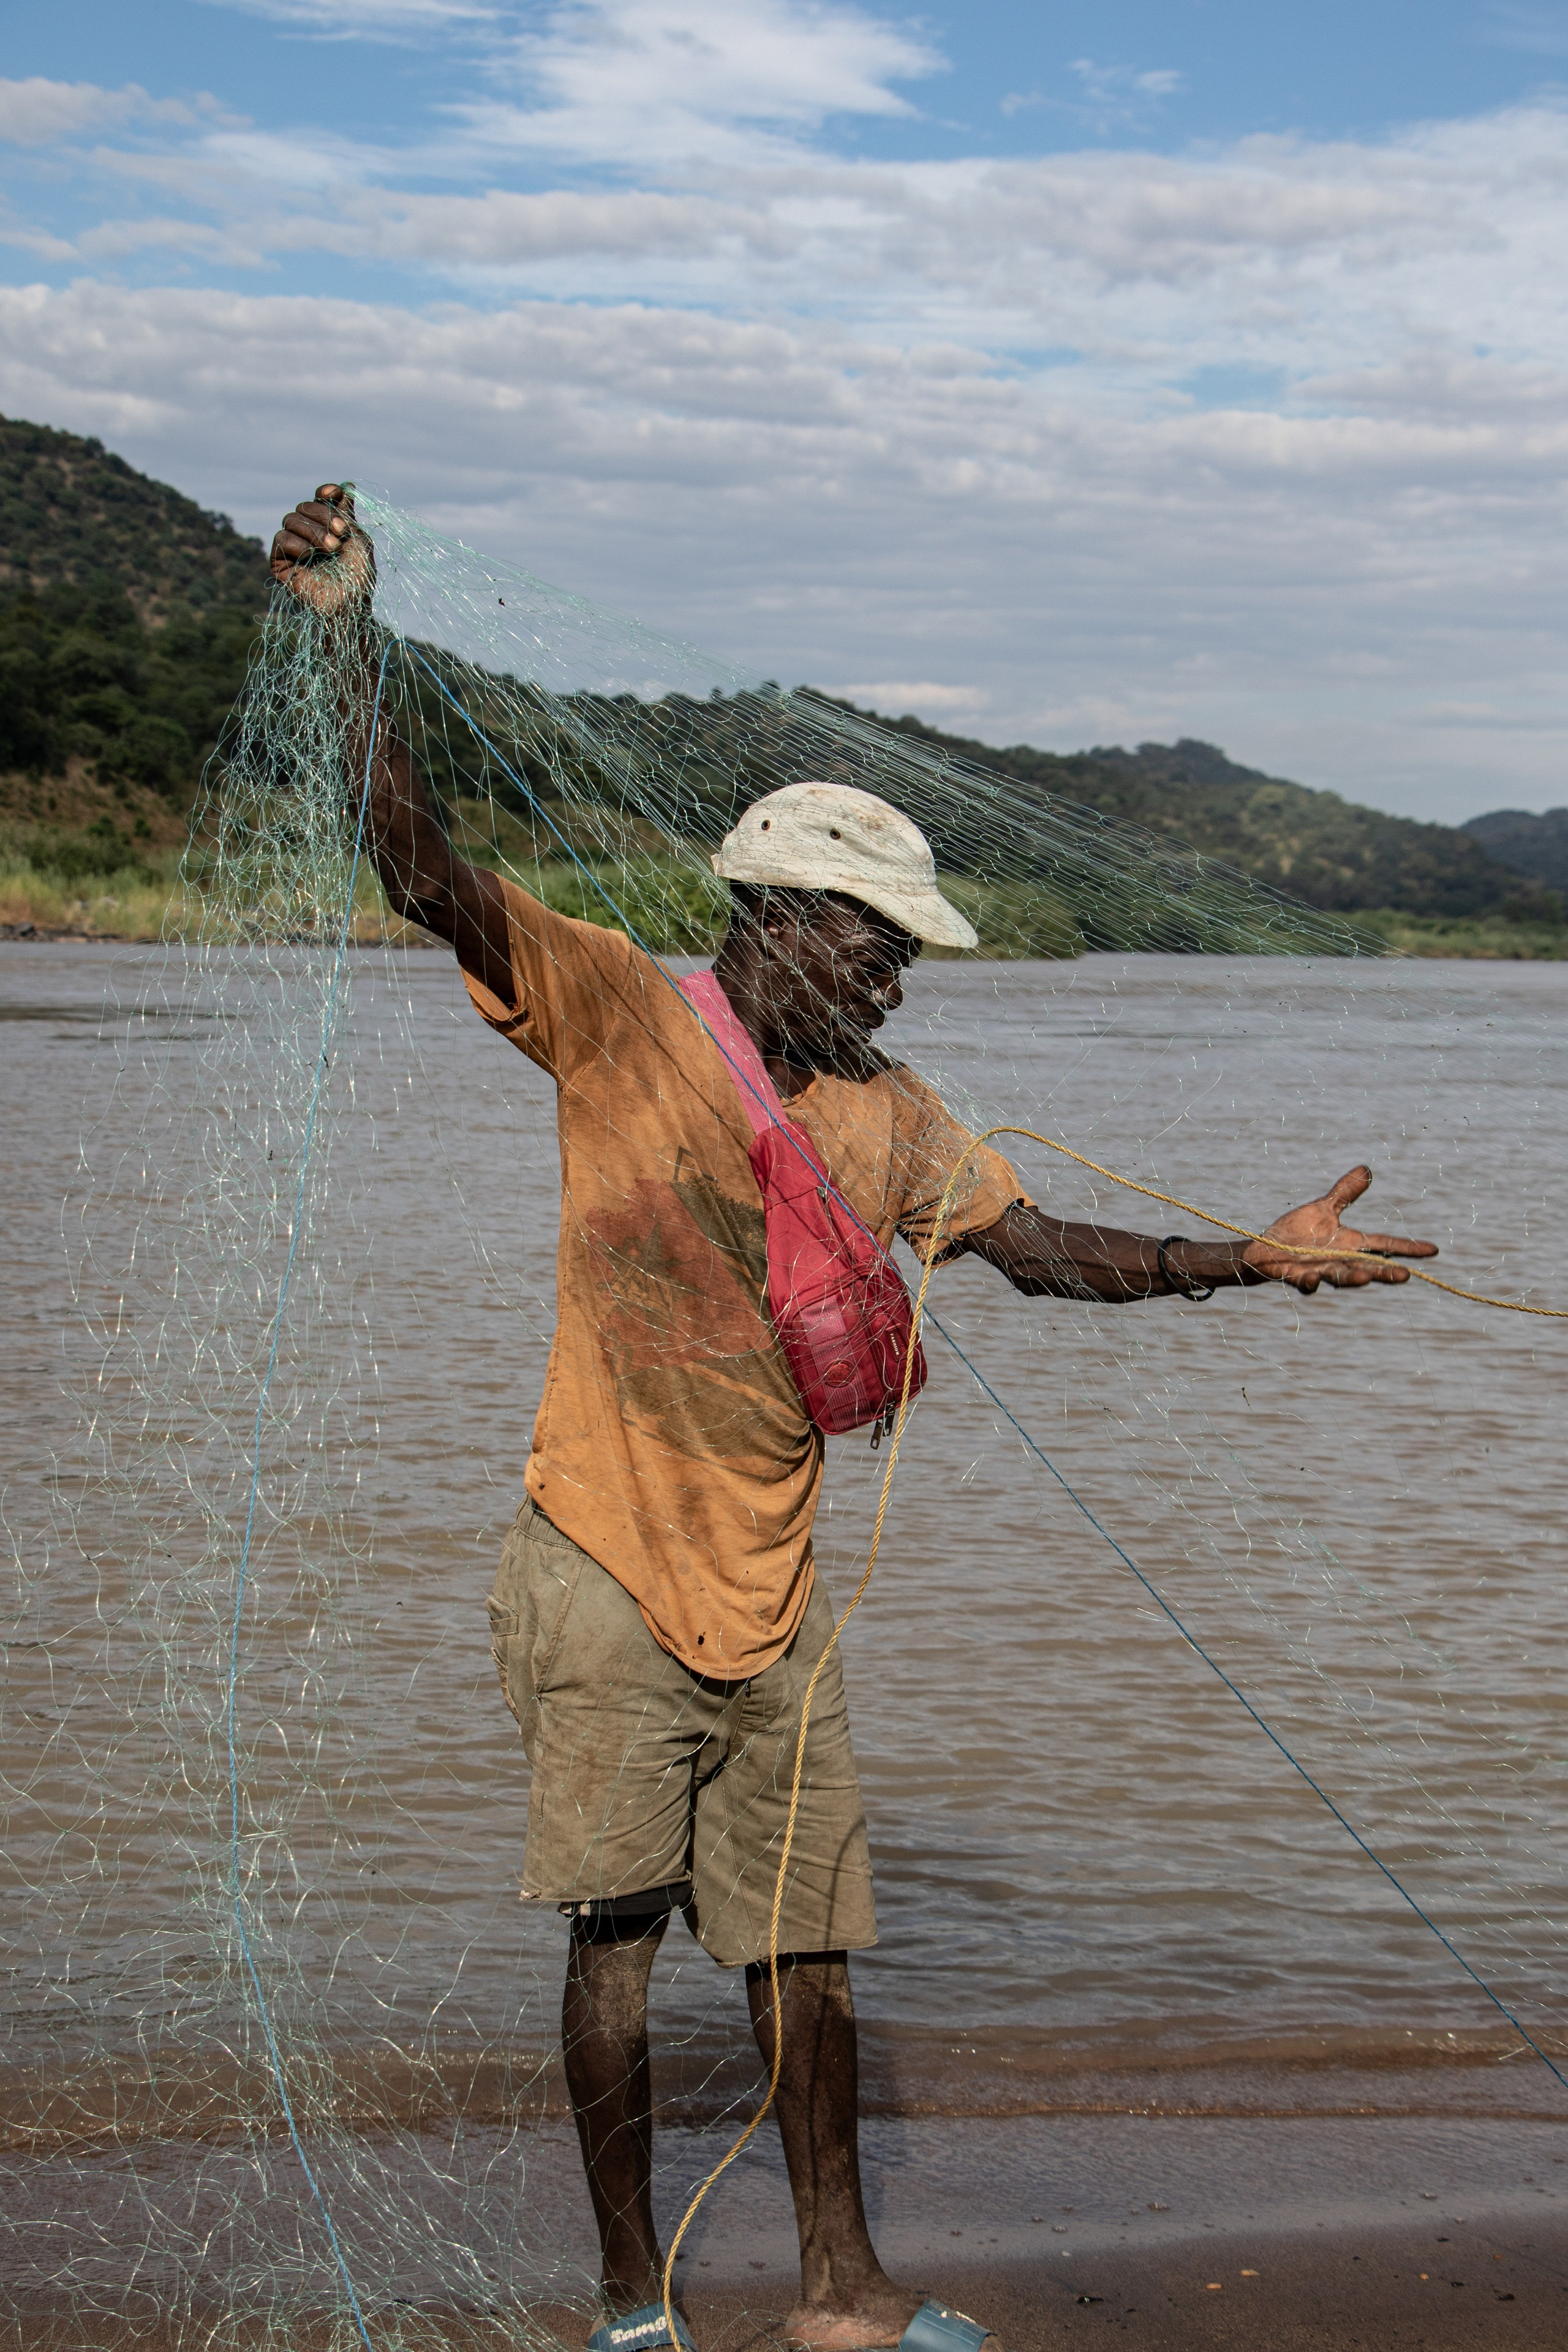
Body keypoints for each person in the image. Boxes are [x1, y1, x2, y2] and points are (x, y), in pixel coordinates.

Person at [270, 487, 1438, 2352]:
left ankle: (840, 2289)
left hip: (780, 1596)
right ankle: (630, 2306)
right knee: (616, 1945)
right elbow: (419, 864)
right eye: (875, 941)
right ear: (779, 915)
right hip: (601, 1562)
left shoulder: (889, 1113)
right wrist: (344, 639)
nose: (895, 978)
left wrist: (1253, 1260)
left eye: (903, 952)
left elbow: (1051, 1254)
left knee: (812, 1946)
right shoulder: (616, 1015)